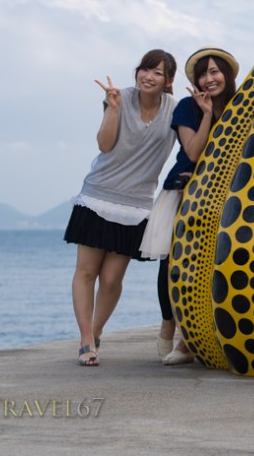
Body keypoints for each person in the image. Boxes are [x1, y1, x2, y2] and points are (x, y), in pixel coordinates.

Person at [65, 49, 178, 367]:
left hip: (136, 206)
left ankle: (96, 331)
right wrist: (113, 109)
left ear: (168, 80)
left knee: (112, 279)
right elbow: (104, 144)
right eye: (145, 69)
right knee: (86, 272)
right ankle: (86, 340)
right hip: (98, 196)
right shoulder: (120, 98)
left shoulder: (174, 109)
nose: (148, 76)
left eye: (157, 72)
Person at [139, 47, 239, 365]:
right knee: (173, 262)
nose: (209, 79)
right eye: (203, 74)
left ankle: (191, 339)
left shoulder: (240, 107)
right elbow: (193, 153)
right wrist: (207, 114)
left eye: (215, 71)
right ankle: (169, 326)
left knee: (213, 265)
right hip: (184, 191)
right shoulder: (187, 107)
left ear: (227, 75)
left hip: (224, 194)